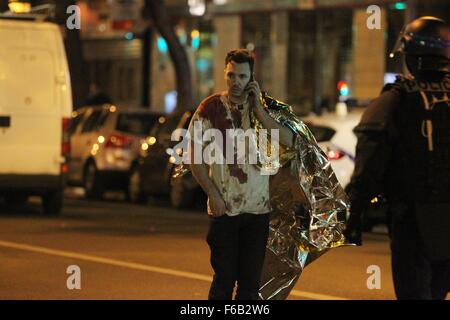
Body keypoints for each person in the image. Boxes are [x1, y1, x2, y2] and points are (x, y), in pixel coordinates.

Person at [344, 16, 450, 300]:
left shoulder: (394, 101)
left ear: (412, 57)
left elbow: (369, 163)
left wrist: (354, 215)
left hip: (413, 222)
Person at [188, 49, 295, 300]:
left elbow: (288, 140)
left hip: (257, 211)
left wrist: (258, 109)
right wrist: (213, 195)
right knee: (224, 281)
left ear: (252, 78)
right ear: (225, 74)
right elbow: (194, 157)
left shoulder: (264, 108)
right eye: (231, 75)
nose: (236, 82)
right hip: (224, 209)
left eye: (242, 76)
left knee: (250, 286)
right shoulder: (210, 108)